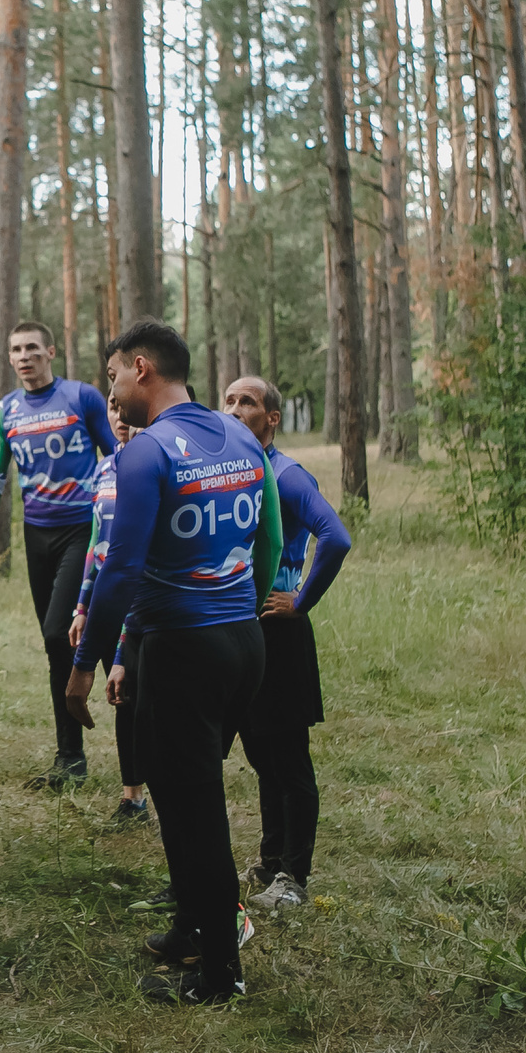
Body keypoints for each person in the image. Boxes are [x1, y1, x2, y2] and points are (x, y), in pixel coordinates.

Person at [70, 321, 280, 1005]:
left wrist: (84, 665)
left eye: (113, 379)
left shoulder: (146, 452)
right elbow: (269, 540)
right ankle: (192, 922)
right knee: (175, 787)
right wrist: (237, 611)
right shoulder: (240, 436)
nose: (112, 393)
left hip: (185, 648)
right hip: (240, 642)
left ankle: (219, 973)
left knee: (196, 808)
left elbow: (121, 571)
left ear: (141, 368)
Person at [0, 322, 119, 785]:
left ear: (50, 351)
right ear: (9, 358)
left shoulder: (81, 397)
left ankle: (135, 723)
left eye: (32, 347)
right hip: (37, 535)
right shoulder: (5, 412)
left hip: (84, 530)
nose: (24, 356)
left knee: (58, 632)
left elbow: (116, 454)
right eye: (16, 349)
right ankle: (70, 757)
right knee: (56, 646)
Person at [226, 375, 353, 909]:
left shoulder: (286, 474)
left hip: (281, 632)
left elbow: (336, 536)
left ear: (271, 419)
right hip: (240, 630)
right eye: (228, 400)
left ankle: (293, 877)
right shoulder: (231, 472)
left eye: (248, 403)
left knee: (289, 758)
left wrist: (299, 599)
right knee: (260, 753)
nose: (234, 410)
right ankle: (270, 858)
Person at [66, 402, 149, 826]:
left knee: (137, 696)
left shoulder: (153, 464)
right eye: (113, 409)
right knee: (123, 700)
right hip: (106, 598)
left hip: (143, 601)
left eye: (126, 409)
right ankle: (131, 796)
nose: (119, 417)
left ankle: (154, 793)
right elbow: (97, 540)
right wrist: (83, 606)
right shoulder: (105, 467)